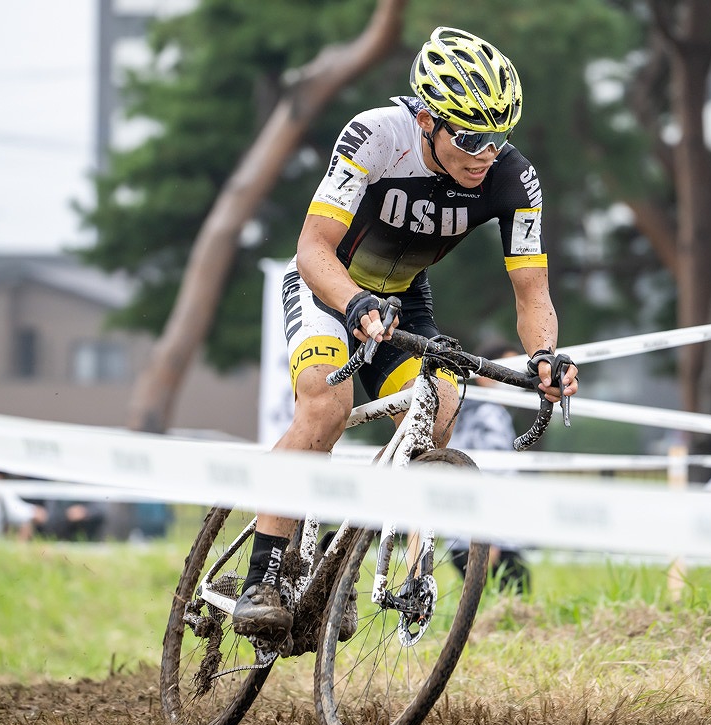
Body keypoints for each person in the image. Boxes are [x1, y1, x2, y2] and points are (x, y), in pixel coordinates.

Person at [231, 27, 578, 639]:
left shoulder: (513, 179)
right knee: (325, 405)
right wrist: (354, 301)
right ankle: (264, 573)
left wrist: (545, 357)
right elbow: (312, 249)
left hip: (403, 300)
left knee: (439, 412)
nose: (485, 154)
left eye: (498, 137)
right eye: (470, 136)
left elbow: (533, 293)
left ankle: (354, 556)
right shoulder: (375, 137)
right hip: (327, 285)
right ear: (426, 121)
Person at [446, 340, 532, 595]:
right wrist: (488, 536)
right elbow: (489, 476)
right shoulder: (489, 415)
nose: (514, 379)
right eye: (507, 371)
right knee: (516, 599)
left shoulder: (466, 412)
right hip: (489, 538)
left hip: (461, 535)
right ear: (485, 377)